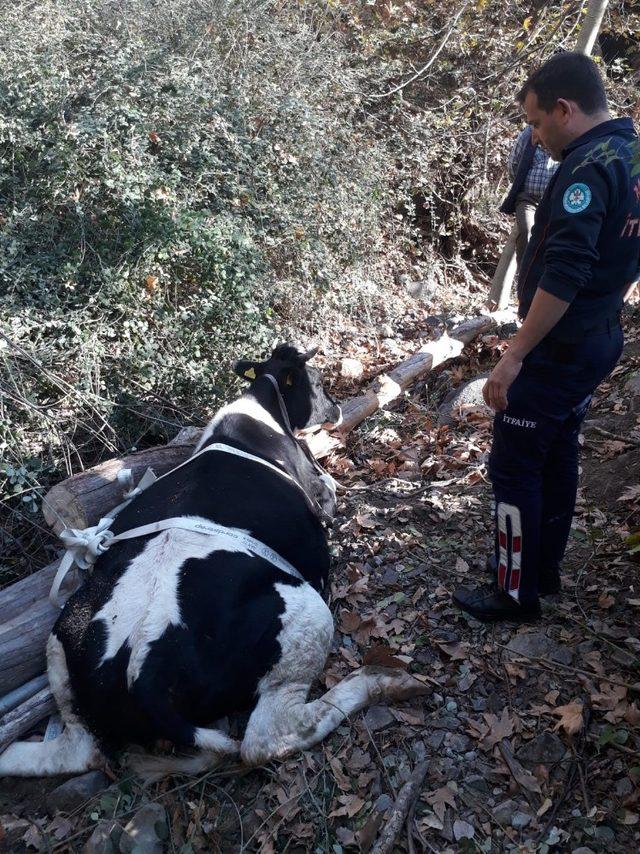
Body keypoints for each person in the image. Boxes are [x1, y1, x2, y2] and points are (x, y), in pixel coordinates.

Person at [453, 51, 640, 622]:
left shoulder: (585, 168)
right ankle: (545, 571)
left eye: (536, 122)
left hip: (560, 347)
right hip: (601, 335)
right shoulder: (630, 154)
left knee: (513, 467)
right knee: (557, 449)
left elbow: (565, 271)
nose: (534, 137)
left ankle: (514, 593)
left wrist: (513, 357)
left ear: (564, 109)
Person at [486, 127, 559, 311]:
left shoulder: (562, 138)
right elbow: (513, 165)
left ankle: (542, 294)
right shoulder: (527, 136)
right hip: (528, 198)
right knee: (527, 233)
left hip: (552, 201)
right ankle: (527, 290)